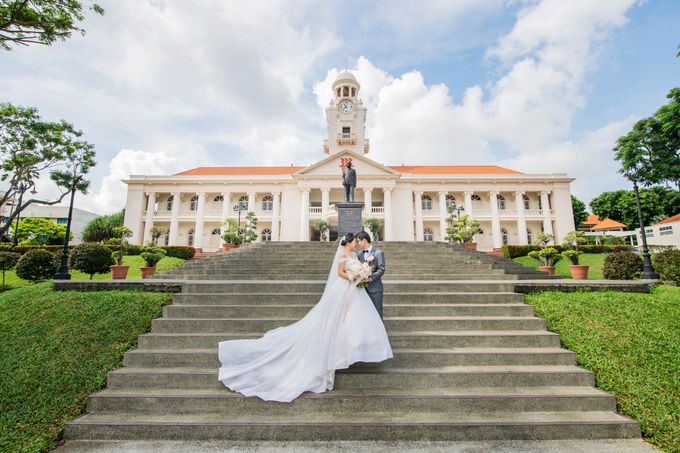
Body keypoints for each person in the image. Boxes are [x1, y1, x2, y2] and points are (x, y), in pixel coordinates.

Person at [217, 232, 392, 402]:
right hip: (344, 287)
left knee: (352, 321)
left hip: (354, 290)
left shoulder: (356, 255)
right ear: (348, 242)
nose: (356, 243)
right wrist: (353, 277)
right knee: (336, 320)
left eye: (357, 241)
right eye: (354, 241)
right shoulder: (342, 255)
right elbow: (340, 273)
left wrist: (360, 276)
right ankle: (336, 354)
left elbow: (365, 268)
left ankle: (349, 350)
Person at [355, 231, 385, 319]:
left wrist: (370, 278)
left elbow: (381, 269)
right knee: (365, 314)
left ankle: (379, 332)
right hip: (362, 289)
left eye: (358, 241)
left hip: (375, 289)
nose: (357, 243)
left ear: (364, 240)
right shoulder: (359, 254)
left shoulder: (378, 252)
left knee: (377, 312)